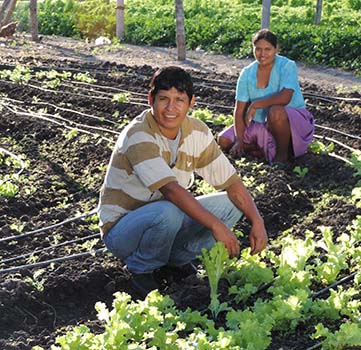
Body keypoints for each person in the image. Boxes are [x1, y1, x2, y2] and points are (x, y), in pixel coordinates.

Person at [97, 66, 268, 297]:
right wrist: (216, 226)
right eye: (163, 99)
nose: (171, 108)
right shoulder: (138, 134)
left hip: (165, 219)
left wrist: (257, 221)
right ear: (151, 99)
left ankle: (177, 261)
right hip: (123, 231)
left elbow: (231, 183)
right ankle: (142, 268)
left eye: (179, 100)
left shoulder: (196, 131)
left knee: (232, 204)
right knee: (170, 211)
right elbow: (171, 191)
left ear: (191, 103)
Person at [218, 29, 314, 164]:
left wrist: (256, 104)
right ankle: (260, 147)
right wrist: (239, 140)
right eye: (258, 49)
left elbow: (285, 98)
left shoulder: (287, 66)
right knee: (224, 140)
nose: (262, 54)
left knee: (275, 111)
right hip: (260, 123)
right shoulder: (247, 73)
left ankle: (282, 156)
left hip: (291, 122)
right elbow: (239, 111)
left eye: (268, 49)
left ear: (276, 49)